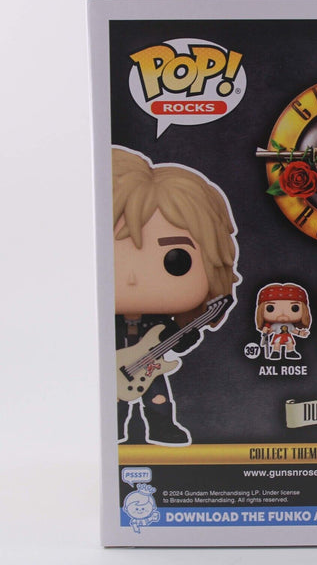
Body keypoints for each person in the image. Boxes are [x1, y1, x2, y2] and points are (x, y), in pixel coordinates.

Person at [113, 146, 239, 445]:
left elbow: (177, 341)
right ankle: (112, 429)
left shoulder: (158, 323)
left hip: (150, 367)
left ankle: (162, 428)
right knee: (111, 402)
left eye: (176, 261)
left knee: (158, 397)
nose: (131, 278)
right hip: (111, 368)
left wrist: (188, 333)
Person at [255, 283, 311, 360]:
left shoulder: (289, 325)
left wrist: (300, 333)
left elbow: (293, 330)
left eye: (295, 308)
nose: (282, 314)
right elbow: (270, 331)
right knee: (277, 344)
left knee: (290, 343)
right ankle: (275, 352)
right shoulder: (275, 325)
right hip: (278, 336)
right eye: (270, 308)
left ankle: (290, 352)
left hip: (287, 336)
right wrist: (266, 331)